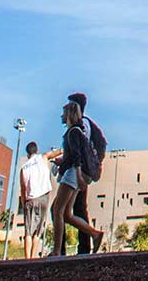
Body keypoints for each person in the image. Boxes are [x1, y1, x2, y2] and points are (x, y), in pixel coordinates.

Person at [50, 101, 104, 252]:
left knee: (57, 210)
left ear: (68, 114)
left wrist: (79, 176)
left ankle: (56, 251)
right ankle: (94, 233)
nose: (61, 116)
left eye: (64, 113)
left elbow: (76, 156)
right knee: (66, 214)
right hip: (76, 173)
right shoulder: (78, 131)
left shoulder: (73, 132)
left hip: (73, 174)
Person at [67, 92, 108, 256]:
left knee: (67, 210)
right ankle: (84, 244)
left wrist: (81, 169)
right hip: (85, 171)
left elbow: (80, 150)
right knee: (75, 209)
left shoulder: (82, 125)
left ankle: (84, 245)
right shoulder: (88, 124)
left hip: (80, 171)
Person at [17, 140, 54, 258]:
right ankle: (33, 256)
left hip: (31, 199)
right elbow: (53, 153)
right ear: (36, 150)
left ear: (28, 154)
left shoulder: (24, 168)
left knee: (28, 231)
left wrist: (23, 202)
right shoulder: (42, 158)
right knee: (38, 231)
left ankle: (27, 258)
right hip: (44, 197)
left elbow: (23, 188)